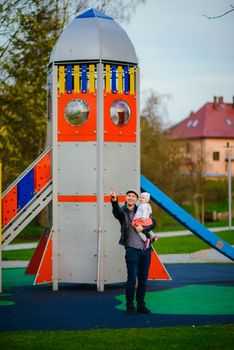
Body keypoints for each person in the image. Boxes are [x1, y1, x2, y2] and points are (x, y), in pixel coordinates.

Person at [110, 188, 156, 314]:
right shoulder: (122, 211)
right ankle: (130, 305)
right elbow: (116, 212)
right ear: (126, 198)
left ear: (136, 199)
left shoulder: (141, 208)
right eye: (128, 195)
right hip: (132, 250)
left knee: (143, 280)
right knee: (131, 280)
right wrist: (114, 199)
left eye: (133, 196)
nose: (130, 197)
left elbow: (153, 222)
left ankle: (141, 305)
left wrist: (144, 227)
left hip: (146, 250)